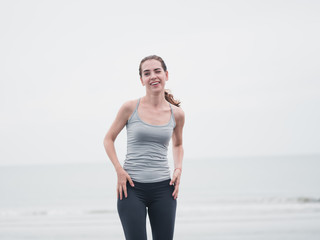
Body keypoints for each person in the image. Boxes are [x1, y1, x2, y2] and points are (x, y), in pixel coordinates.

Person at [103, 55, 185, 240]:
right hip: (131, 189)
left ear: (166, 74)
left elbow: (178, 143)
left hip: (164, 189)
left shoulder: (177, 114)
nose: (153, 76)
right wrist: (119, 170)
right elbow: (108, 139)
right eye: (147, 73)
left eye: (157, 71)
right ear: (141, 80)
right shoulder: (130, 107)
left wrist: (178, 168)